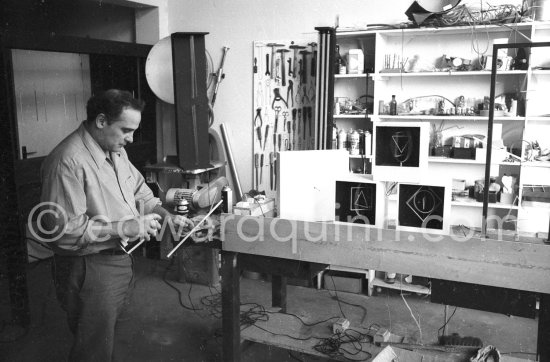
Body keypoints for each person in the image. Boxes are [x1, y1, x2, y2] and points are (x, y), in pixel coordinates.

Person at [40, 89, 192, 361]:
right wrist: (125, 227)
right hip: (90, 266)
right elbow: (63, 232)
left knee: (117, 339)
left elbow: (141, 193)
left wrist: (166, 216)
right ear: (101, 121)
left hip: (120, 260)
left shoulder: (115, 151)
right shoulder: (68, 161)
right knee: (94, 349)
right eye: (125, 130)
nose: (131, 138)